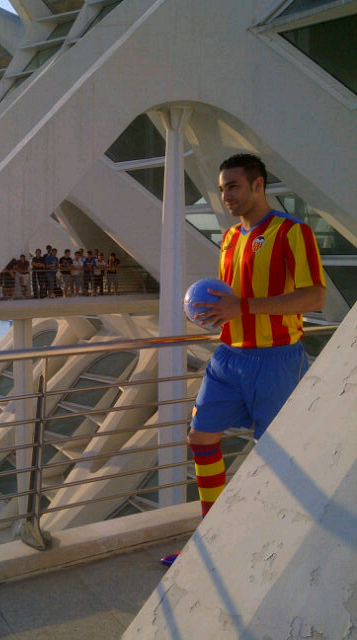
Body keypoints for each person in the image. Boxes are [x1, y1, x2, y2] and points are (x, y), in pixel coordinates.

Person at [161, 153, 326, 567]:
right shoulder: (231, 236)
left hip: (277, 360)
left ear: (258, 185)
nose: (226, 196)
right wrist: (214, 312)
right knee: (200, 438)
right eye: (221, 189)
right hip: (228, 357)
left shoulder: (293, 232)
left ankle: (274, 547)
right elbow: (231, 297)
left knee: (276, 456)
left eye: (233, 186)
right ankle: (213, 537)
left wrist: (243, 307)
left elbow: (314, 297)